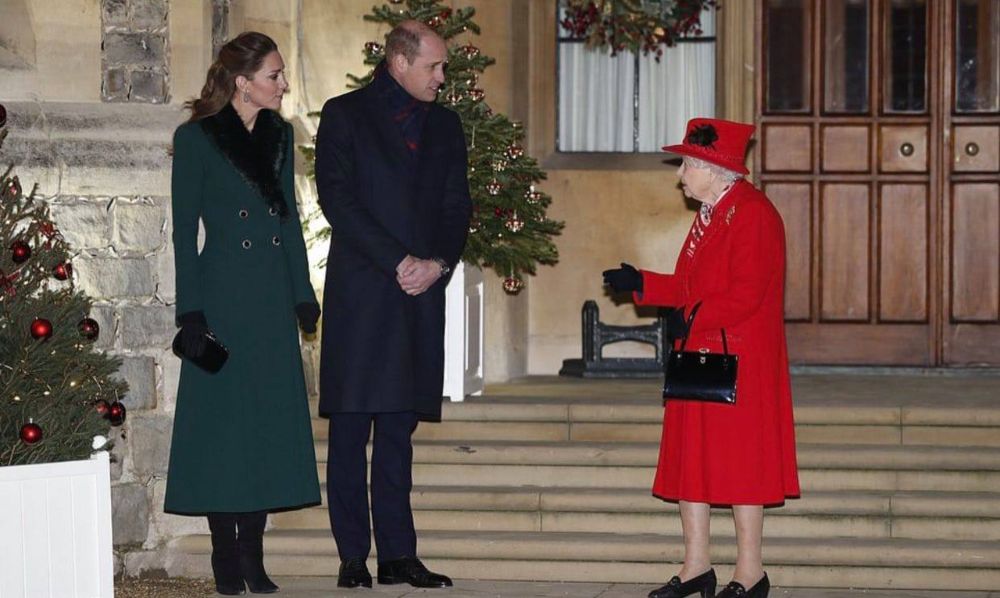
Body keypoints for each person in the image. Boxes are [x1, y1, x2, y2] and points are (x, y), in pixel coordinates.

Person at [602, 118, 800, 598]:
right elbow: (693, 287)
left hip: (739, 362)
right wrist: (644, 284)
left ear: (716, 167)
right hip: (702, 356)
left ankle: (750, 574)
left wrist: (690, 315)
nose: (681, 174)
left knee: (741, 468)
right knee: (692, 463)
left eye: (689, 163)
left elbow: (748, 294)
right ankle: (697, 568)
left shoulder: (752, 213)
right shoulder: (714, 212)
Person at [313, 20, 471, 590]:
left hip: (419, 295)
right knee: (352, 432)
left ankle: (400, 555)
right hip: (364, 293)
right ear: (399, 63)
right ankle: (353, 555)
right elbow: (338, 198)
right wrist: (397, 260)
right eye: (434, 67)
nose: (442, 78)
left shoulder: (447, 125)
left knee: (399, 433)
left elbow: (457, 206)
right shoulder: (344, 114)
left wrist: (436, 264)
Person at [165, 31, 321, 596]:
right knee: (222, 429)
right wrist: (191, 311)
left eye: (281, 75)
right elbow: (185, 233)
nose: (283, 84)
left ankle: (254, 559)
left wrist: (302, 293)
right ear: (243, 81)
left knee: (264, 428)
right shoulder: (196, 139)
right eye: (274, 76)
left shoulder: (280, 136)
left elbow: (289, 220)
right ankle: (225, 558)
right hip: (223, 295)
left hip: (270, 300)